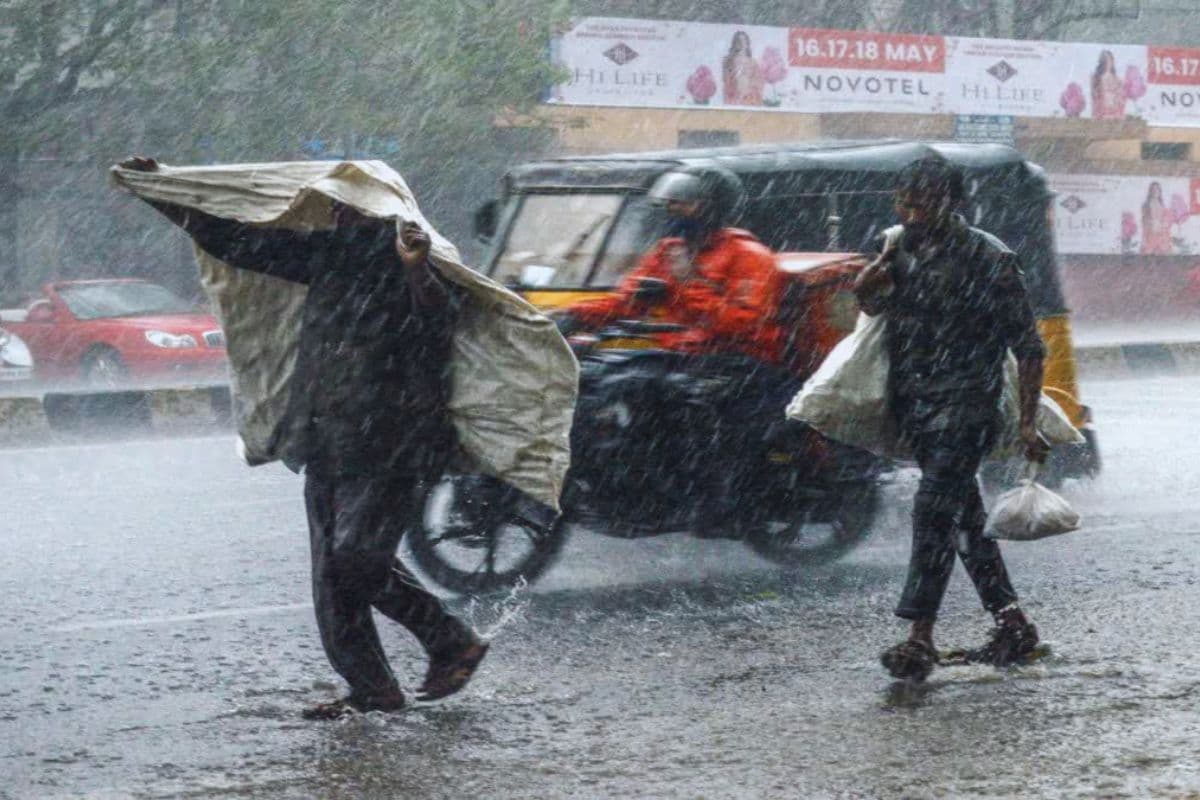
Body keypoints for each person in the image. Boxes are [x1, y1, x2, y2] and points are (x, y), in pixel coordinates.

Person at [119, 156, 489, 719]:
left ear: (377, 209)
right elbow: (239, 243)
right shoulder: (328, 253)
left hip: (395, 438)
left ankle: (449, 640)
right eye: (335, 202)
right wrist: (165, 194)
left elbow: (443, 318)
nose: (337, 211)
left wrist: (415, 269)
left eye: (348, 204)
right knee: (331, 576)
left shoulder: (416, 254)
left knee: (356, 558)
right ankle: (373, 688)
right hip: (327, 433)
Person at [853, 157, 1050, 681]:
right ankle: (1012, 623)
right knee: (964, 520)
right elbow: (870, 309)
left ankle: (920, 636)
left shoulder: (990, 257)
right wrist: (869, 281)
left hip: (967, 405)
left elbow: (1029, 346)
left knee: (932, 511)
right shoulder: (895, 249)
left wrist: (1028, 422)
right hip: (915, 404)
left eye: (924, 202)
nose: (912, 212)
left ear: (952, 202)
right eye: (904, 202)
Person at [557, 166, 784, 366]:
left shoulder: (748, 255)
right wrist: (572, 315)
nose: (670, 209)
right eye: (668, 202)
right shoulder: (669, 250)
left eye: (681, 203)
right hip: (680, 355)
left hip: (737, 361)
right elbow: (625, 301)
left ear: (712, 207)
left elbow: (743, 325)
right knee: (593, 376)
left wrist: (685, 287)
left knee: (628, 386)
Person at [722, 31, 764, 106]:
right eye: (739, 41)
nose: (741, 43)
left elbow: (758, 83)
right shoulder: (728, 61)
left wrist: (749, 90)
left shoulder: (753, 63)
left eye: (744, 40)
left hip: (748, 99)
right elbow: (726, 81)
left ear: (747, 43)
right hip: (733, 99)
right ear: (735, 43)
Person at [1091, 50, 1126, 120]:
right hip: (1101, 114)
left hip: (1114, 113)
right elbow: (1095, 99)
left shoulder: (1117, 80)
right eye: (1105, 61)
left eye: (1110, 61)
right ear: (1101, 62)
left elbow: (1120, 97)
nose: (1108, 63)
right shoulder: (1096, 78)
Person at [1141, 181, 1173, 255]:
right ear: (1150, 191)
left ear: (1160, 191)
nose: (1155, 191)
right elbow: (1144, 222)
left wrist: (1164, 224)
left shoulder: (1162, 205)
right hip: (1151, 235)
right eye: (1153, 189)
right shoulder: (1146, 205)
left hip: (1162, 235)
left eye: (1157, 189)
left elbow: (1166, 220)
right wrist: (1151, 223)